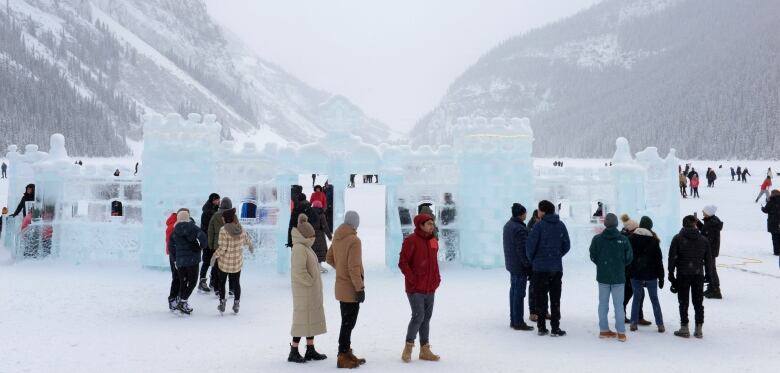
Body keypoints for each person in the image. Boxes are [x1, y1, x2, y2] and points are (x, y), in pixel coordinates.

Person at [399, 213, 442, 363]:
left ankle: (425, 349)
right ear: (421, 225)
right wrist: (413, 279)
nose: (432, 226)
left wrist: (437, 278)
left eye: (432, 224)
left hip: (430, 287)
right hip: (415, 288)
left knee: (426, 318)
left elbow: (434, 263)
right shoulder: (411, 240)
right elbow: (403, 262)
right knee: (418, 316)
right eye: (429, 224)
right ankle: (408, 347)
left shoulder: (433, 240)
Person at [326, 211, 366, 369]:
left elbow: (329, 258)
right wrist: (360, 288)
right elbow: (354, 267)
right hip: (351, 288)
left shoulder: (337, 237)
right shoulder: (354, 241)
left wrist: (340, 270)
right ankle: (342, 355)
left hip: (341, 287)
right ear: (355, 224)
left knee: (346, 321)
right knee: (349, 323)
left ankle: (346, 351)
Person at [526, 200, 570, 336]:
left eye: (539, 210)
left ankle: (541, 327)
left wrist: (535, 260)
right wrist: (556, 256)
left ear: (543, 211)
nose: (537, 212)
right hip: (556, 268)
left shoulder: (538, 227)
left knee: (541, 297)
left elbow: (530, 247)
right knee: (555, 298)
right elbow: (566, 245)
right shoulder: (561, 225)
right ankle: (555, 328)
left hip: (540, 269)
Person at [288, 214, 328, 363]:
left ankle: (310, 349)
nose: (313, 238)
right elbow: (299, 271)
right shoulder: (299, 248)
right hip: (304, 291)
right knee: (301, 321)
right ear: (305, 236)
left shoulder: (305, 247)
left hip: (310, 292)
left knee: (310, 320)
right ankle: (293, 351)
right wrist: (311, 282)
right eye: (311, 236)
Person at [668, 215, 715, 339]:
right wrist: (709, 275)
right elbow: (708, 260)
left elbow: (672, 258)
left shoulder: (677, 238)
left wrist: (670, 273)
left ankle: (684, 327)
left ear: (683, 224)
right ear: (695, 224)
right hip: (698, 274)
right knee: (698, 301)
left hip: (683, 273)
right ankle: (699, 328)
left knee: (683, 301)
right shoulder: (703, 240)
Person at [590, 213, 633, 342]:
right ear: (616, 224)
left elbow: (593, 255)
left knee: (603, 304)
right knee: (619, 305)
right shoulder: (624, 239)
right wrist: (620, 265)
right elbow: (629, 258)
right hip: (619, 277)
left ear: (605, 224)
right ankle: (621, 333)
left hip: (603, 276)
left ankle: (603, 330)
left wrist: (602, 264)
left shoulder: (597, 239)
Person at [211, 207, 254, 314]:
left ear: (226, 219)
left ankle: (222, 303)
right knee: (236, 283)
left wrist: (214, 256)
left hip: (225, 264)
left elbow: (223, 248)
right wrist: (250, 246)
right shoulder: (240, 228)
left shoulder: (223, 230)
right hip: (236, 263)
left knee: (222, 283)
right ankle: (236, 303)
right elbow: (247, 240)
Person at [628, 216, 665, 333]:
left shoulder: (631, 238)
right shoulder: (654, 240)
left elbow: (628, 258)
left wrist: (629, 271)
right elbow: (658, 260)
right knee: (654, 299)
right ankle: (660, 324)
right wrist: (661, 276)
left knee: (636, 298)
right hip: (651, 274)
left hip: (636, 273)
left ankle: (633, 322)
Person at [168, 209, 208, 314]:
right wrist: (201, 247)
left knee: (183, 282)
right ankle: (183, 301)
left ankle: (182, 302)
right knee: (193, 282)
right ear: (187, 218)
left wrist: (175, 259)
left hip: (180, 261)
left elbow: (170, 246)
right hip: (192, 260)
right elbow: (203, 237)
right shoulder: (193, 227)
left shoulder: (174, 231)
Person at [502, 203, 534, 331]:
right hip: (519, 266)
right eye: (525, 213)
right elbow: (522, 250)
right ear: (521, 214)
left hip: (512, 264)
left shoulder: (508, 225)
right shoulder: (520, 229)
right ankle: (518, 322)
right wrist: (528, 265)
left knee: (514, 292)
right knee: (519, 294)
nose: (526, 215)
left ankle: (513, 319)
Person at [619, 215, 647, 325]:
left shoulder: (626, 237)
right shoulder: (626, 239)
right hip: (629, 271)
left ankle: (631, 315)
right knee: (630, 294)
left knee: (632, 294)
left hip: (630, 270)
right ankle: (634, 316)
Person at [208, 197, 234, 298]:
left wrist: (211, 245)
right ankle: (232, 288)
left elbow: (210, 231)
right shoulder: (232, 215)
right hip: (230, 245)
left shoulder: (215, 216)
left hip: (217, 245)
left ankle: (217, 288)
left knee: (217, 268)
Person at [699, 206, 723, 299]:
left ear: (708, 213)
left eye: (704, 211)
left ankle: (715, 290)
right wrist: (699, 223)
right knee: (711, 269)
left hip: (710, 251)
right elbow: (705, 232)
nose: (702, 212)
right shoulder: (711, 221)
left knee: (711, 270)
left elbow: (707, 237)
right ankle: (712, 288)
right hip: (711, 250)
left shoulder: (711, 224)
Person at [198, 193, 221, 292]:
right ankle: (202, 282)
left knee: (215, 261)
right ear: (213, 200)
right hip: (208, 241)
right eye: (217, 200)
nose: (218, 201)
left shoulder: (216, 210)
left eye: (219, 200)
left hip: (215, 241)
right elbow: (204, 228)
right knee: (207, 262)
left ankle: (213, 281)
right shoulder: (207, 212)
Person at [165, 209, 183, 310]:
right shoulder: (173, 226)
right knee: (177, 278)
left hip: (174, 254)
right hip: (175, 255)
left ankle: (176, 298)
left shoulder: (171, 225)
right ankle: (173, 299)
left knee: (177, 277)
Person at [310, 200, 332, 273]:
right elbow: (325, 226)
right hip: (319, 235)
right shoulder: (321, 214)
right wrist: (329, 236)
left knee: (313, 250)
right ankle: (319, 266)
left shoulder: (309, 214)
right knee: (320, 250)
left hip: (311, 235)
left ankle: (313, 266)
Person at [761, 190, 780, 256]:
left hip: (773, 221)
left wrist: (762, 208)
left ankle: (777, 252)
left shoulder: (771, 201)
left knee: (775, 237)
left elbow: (766, 210)